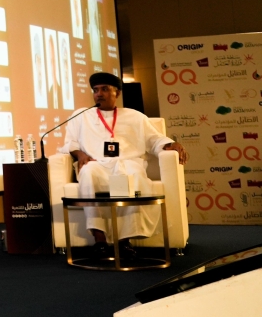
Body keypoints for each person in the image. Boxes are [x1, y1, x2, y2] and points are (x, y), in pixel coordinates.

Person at [58, 72, 188, 260]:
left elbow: (154, 139)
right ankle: (99, 239)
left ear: (117, 93)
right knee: (88, 172)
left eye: (104, 89)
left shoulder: (135, 117)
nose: (99, 94)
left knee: (133, 174)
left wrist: (171, 144)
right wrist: (80, 154)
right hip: (97, 164)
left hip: (127, 163)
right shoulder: (81, 116)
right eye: (95, 90)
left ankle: (124, 240)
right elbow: (69, 142)